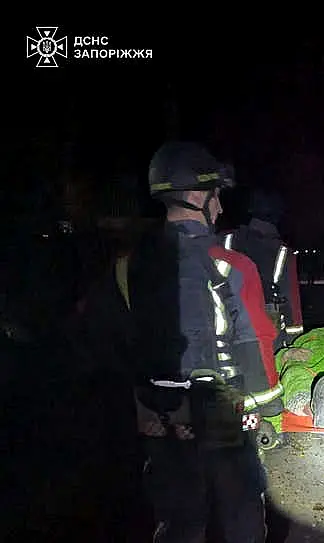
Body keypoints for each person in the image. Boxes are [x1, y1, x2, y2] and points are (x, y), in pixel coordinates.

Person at [73, 141, 283, 543]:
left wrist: (140, 402)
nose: (220, 207)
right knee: (241, 515)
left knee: (179, 519)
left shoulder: (124, 267)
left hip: (159, 414)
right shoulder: (233, 266)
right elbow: (255, 343)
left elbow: (105, 343)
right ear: (195, 196)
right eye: (216, 196)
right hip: (223, 411)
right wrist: (269, 410)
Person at [221, 186, 303, 349]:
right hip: (265, 325)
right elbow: (291, 302)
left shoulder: (226, 239)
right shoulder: (282, 252)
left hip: (226, 317)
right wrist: (295, 343)